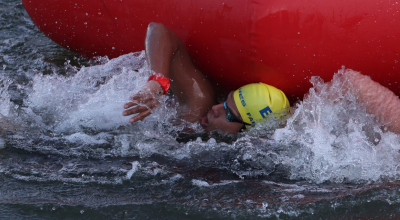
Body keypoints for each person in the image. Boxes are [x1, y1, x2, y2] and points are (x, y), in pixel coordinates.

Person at [123, 22, 400, 135]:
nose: (215, 109)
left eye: (228, 114)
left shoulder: (268, 149)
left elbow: (353, 83)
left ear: (249, 129)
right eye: (225, 102)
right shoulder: (200, 107)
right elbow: (159, 30)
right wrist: (156, 84)